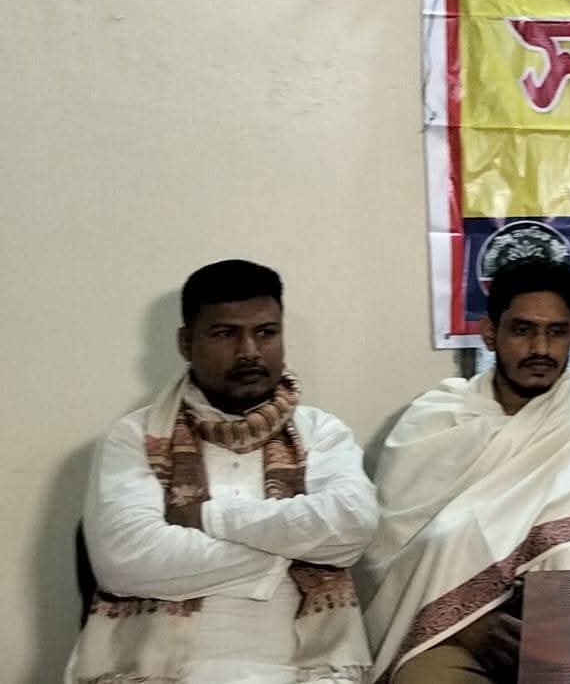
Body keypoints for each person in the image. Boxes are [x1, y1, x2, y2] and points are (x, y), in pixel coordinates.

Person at [67, 260, 376, 684]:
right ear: (186, 342)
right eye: (225, 333)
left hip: (312, 671)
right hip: (156, 673)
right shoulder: (137, 436)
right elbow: (125, 560)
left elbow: (352, 525)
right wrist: (292, 546)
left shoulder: (320, 432)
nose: (249, 351)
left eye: (266, 332)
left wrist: (207, 517)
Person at [363, 257, 570, 683]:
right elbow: (391, 556)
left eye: (556, 332)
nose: (541, 349)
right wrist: (468, 623)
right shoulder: (434, 424)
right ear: (490, 333)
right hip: (455, 632)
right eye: (523, 330)